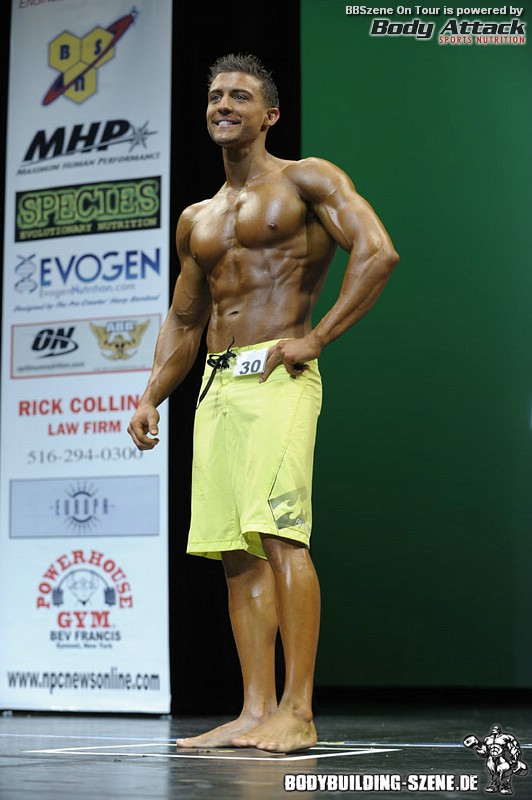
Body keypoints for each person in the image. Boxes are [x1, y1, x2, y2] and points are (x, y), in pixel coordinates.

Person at [128, 53, 399, 753]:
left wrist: (317, 337)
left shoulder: (308, 178)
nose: (224, 105)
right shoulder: (197, 218)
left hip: (278, 375)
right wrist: (152, 394)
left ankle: (298, 711)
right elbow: (185, 318)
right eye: (215, 95)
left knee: (281, 537)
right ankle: (255, 711)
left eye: (240, 96)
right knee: (236, 554)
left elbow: (377, 252)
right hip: (217, 387)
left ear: (269, 114)